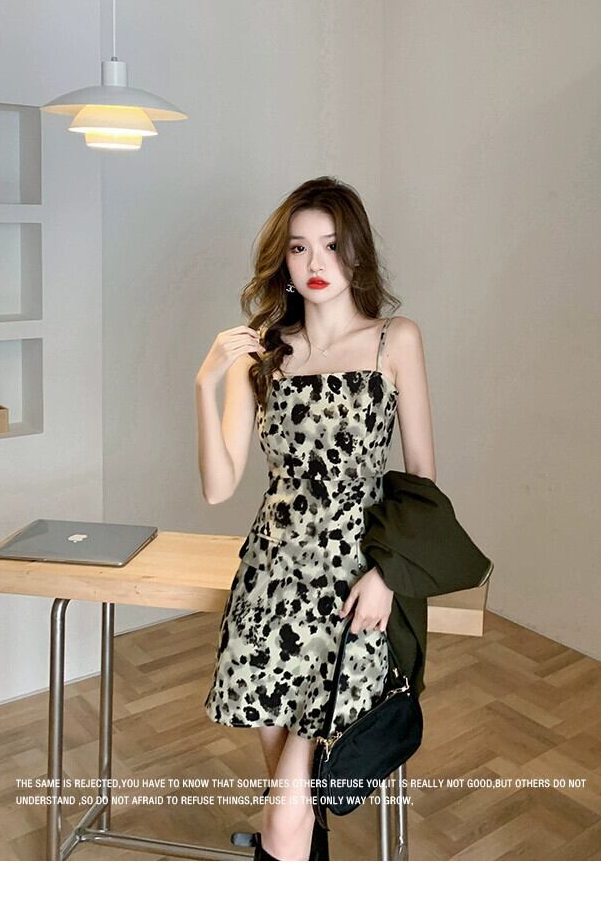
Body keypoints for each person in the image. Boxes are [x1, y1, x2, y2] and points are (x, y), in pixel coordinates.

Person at [195, 176, 436, 860]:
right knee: (291, 793)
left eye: (332, 245)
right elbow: (218, 487)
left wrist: (387, 576)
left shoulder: (395, 341)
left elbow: (422, 478)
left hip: (354, 587)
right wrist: (204, 384)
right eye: (299, 248)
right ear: (284, 259)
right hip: (269, 583)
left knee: (287, 805)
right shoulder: (266, 353)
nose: (316, 262)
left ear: (357, 252)